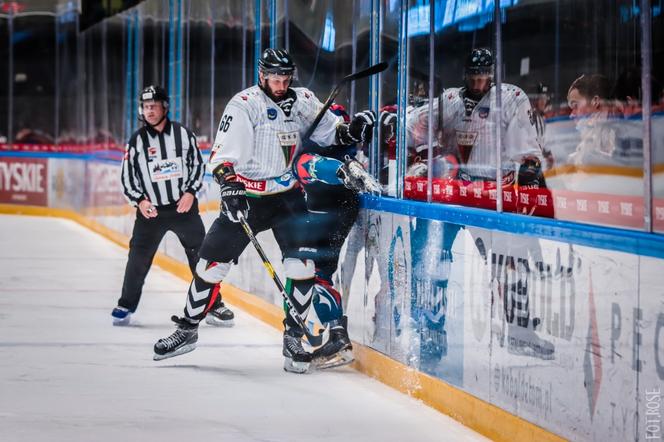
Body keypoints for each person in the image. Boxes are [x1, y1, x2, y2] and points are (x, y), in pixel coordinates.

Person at [152, 49, 377, 374]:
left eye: (286, 78)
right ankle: (187, 328)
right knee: (210, 265)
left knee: (302, 267)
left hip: (287, 196)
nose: (281, 83)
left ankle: (294, 337)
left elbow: (333, 134)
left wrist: (352, 130)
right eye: (275, 78)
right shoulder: (244, 105)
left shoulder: (303, 101)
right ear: (262, 76)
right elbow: (220, 158)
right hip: (247, 195)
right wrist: (230, 189)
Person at [113, 85, 234, 327]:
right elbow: (127, 176)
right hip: (151, 212)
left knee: (202, 256)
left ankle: (213, 305)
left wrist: (190, 192)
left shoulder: (183, 134)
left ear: (164, 107)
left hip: (183, 209)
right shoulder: (136, 141)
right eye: (146, 107)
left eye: (154, 106)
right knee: (137, 258)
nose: (150, 111)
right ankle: (126, 304)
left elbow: (198, 166)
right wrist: (141, 200)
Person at [292, 104, 381, 368]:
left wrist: (344, 169)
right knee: (319, 273)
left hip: (329, 209)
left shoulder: (320, 142)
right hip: (338, 207)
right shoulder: (322, 129)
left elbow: (309, 165)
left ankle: (338, 337)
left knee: (314, 273)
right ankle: (336, 334)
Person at [565, 73, 619, 167]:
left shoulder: (616, 135)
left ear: (595, 101)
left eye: (575, 106)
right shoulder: (590, 135)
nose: (571, 114)